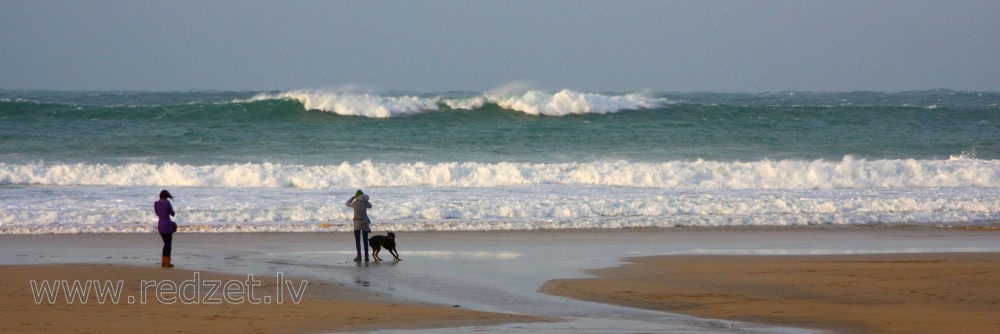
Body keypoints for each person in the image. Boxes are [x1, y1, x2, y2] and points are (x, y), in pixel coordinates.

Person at [345, 189, 372, 263]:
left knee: (357, 241)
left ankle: (359, 256)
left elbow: (347, 203)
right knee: (365, 241)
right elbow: (370, 206)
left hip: (357, 223)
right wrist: (365, 200)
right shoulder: (365, 203)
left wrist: (353, 197)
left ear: (357, 196)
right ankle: (366, 257)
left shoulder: (354, 203)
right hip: (365, 223)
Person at [154, 190, 177, 268]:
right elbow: (172, 214)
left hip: (160, 226)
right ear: (166, 196)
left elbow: (157, 214)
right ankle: (167, 263)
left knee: (166, 244)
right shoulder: (167, 203)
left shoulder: (156, 204)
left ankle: (164, 262)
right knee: (168, 244)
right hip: (167, 226)